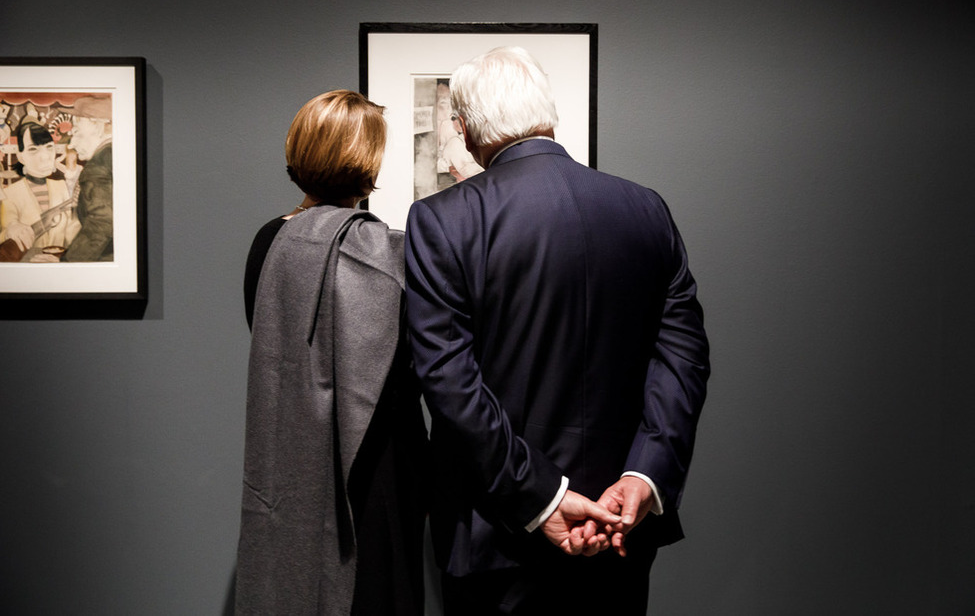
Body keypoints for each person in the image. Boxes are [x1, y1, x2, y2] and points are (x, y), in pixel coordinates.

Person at [404, 46, 710, 615]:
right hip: (621, 524)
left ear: (467, 132)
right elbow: (684, 361)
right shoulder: (647, 210)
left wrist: (544, 495)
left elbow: (449, 382)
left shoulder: (443, 220)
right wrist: (645, 475)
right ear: (548, 114)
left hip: (496, 532)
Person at [235, 90, 427, 616]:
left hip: (292, 461)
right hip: (383, 464)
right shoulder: (394, 253)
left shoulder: (267, 244)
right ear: (370, 163)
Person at [0, 121, 81, 261]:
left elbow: (70, 233)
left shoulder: (61, 186)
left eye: (49, 147)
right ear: (21, 157)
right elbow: (8, 223)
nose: (44, 157)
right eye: (33, 149)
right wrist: (12, 228)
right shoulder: (11, 193)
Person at [62, 95, 114, 262]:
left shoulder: (98, 165)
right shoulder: (117, 154)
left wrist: (68, 264)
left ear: (98, 126)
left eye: (76, 132)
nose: (71, 145)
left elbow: (100, 225)